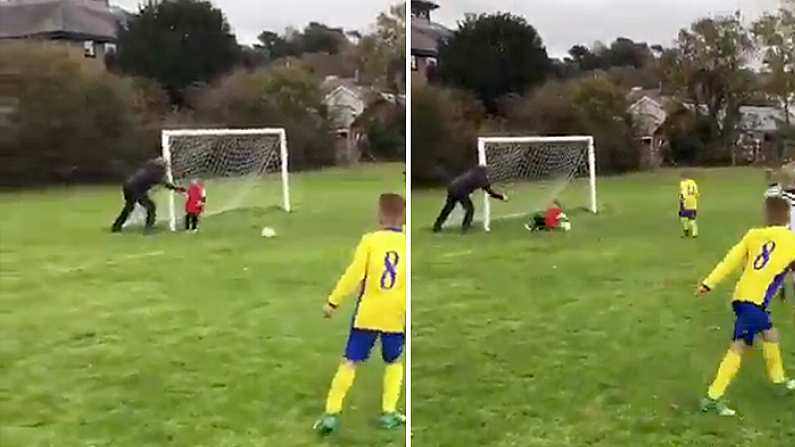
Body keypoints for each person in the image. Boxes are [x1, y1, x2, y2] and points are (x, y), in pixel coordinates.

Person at [314, 193, 406, 435]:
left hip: (368, 312)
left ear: (379, 215)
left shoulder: (370, 241)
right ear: (404, 217)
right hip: (395, 315)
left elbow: (353, 275)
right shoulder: (408, 244)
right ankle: (389, 412)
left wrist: (333, 302)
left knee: (350, 361)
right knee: (394, 361)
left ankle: (331, 414)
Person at [696, 195, 795, 416]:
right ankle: (713, 397)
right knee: (739, 346)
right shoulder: (791, 240)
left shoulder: (753, 235)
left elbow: (730, 260)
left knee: (770, 335)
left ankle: (779, 380)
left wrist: (708, 283)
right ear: (787, 216)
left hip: (742, 298)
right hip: (755, 303)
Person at [111, 157, 185, 233]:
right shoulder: (155, 173)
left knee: (129, 208)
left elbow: (152, 182)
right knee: (151, 207)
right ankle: (148, 228)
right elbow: (164, 183)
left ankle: (116, 226)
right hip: (136, 190)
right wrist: (177, 188)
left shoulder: (148, 169)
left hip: (128, 187)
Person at [432, 165, 507, 232]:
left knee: (448, 208)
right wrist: (501, 197)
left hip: (452, 186)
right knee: (470, 209)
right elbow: (490, 192)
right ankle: (465, 227)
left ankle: (437, 225)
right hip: (460, 191)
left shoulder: (475, 171)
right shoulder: (483, 180)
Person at [679, 171, 700, 238]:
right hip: (693, 202)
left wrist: (681, 199)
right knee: (691, 218)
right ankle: (694, 233)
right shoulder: (693, 182)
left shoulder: (682, 183)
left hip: (685, 201)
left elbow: (683, 193)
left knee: (683, 218)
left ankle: (686, 231)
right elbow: (697, 193)